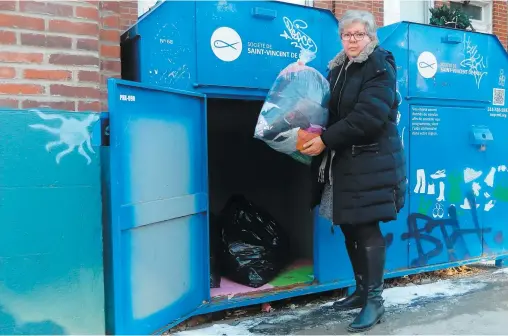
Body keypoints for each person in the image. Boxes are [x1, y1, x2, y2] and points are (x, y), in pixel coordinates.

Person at [301, 9, 407, 333]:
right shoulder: (339, 68)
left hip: (370, 162)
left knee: (365, 228)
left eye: (359, 34)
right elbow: (332, 112)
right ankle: (361, 290)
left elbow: (368, 117)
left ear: (370, 36)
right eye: (347, 35)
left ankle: (375, 301)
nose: (352, 40)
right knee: (348, 225)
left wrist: (324, 140)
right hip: (345, 162)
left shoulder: (379, 65)